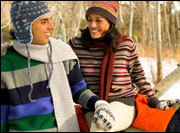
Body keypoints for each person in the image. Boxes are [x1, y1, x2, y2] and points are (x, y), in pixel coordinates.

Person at [1, 1, 115, 132]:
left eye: (50, 20)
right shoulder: (5, 64)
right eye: (44, 22)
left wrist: (98, 104)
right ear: (24, 26)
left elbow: (79, 90)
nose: (51, 26)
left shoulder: (61, 53)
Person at [68, 1, 170, 132]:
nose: (92, 25)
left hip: (123, 103)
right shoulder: (76, 44)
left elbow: (138, 78)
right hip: (92, 105)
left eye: (98, 20)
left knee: (101, 126)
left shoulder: (126, 44)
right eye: (89, 20)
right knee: (96, 123)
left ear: (111, 22)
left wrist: (154, 101)